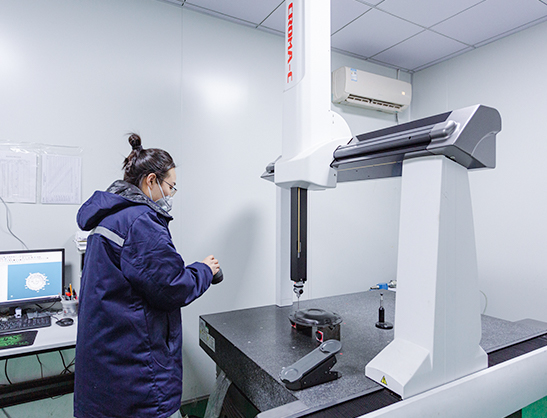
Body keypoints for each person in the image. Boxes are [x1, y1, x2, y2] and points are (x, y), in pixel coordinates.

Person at [74, 133, 219, 418]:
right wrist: (204, 269)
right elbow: (172, 288)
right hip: (134, 371)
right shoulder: (140, 221)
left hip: (106, 363)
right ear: (151, 181)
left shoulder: (109, 218)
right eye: (171, 187)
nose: (171, 195)